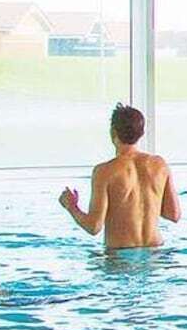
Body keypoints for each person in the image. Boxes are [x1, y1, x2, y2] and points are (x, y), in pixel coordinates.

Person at [59, 104, 179, 250]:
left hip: (120, 258)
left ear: (113, 132)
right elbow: (174, 214)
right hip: (155, 253)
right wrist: (148, 202)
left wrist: (71, 206)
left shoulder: (104, 171)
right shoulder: (160, 165)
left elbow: (94, 227)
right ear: (141, 133)